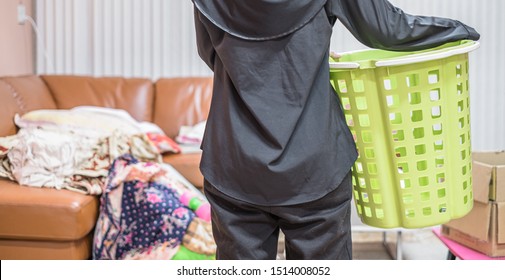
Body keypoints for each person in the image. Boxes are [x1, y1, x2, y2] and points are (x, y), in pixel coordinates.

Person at [191, 0, 480, 260]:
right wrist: (461, 29)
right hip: (314, 164)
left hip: (234, 160)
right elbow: (388, 30)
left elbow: (211, 54)